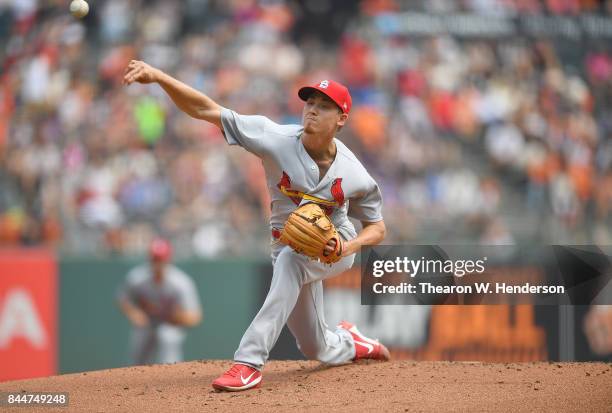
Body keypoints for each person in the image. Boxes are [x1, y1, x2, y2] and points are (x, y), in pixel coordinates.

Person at [123, 61, 389, 392]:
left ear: (342, 119)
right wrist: (160, 77)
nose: (313, 111)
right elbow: (207, 109)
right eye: (310, 103)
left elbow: (377, 228)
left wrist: (345, 247)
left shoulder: (354, 173)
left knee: (293, 261)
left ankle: (248, 362)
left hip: (336, 246)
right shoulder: (274, 138)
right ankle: (352, 342)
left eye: (324, 107)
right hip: (285, 246)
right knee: (314, 346)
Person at [117, 238, 202, 365]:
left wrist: (178, 317)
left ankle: (171, 377)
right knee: (138, 352)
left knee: (166, 336)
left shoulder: (181, 283)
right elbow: (123, 298)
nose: (157, 263)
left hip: (170, 324)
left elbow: (195, 317)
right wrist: (134, 313)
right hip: (148, 324)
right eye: (154, 259)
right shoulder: (137, 278)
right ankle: (137, 380)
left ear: (168, 259)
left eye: (160, 259)